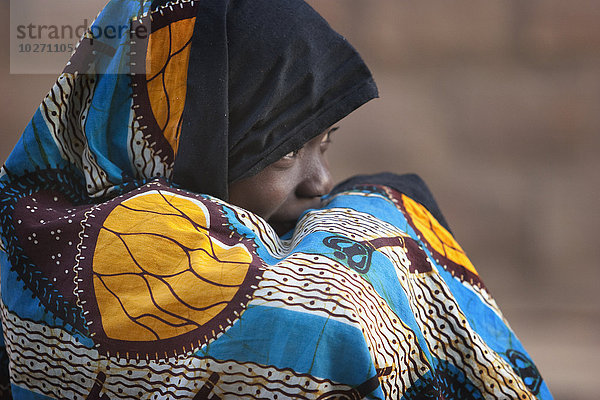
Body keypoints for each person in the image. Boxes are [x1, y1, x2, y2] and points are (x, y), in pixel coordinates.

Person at [0, 0, 552, 399]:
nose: (322, 182)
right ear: (183, 139)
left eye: (325, 144)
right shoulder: (119, 252)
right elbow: (330, 328)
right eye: (286, 150)